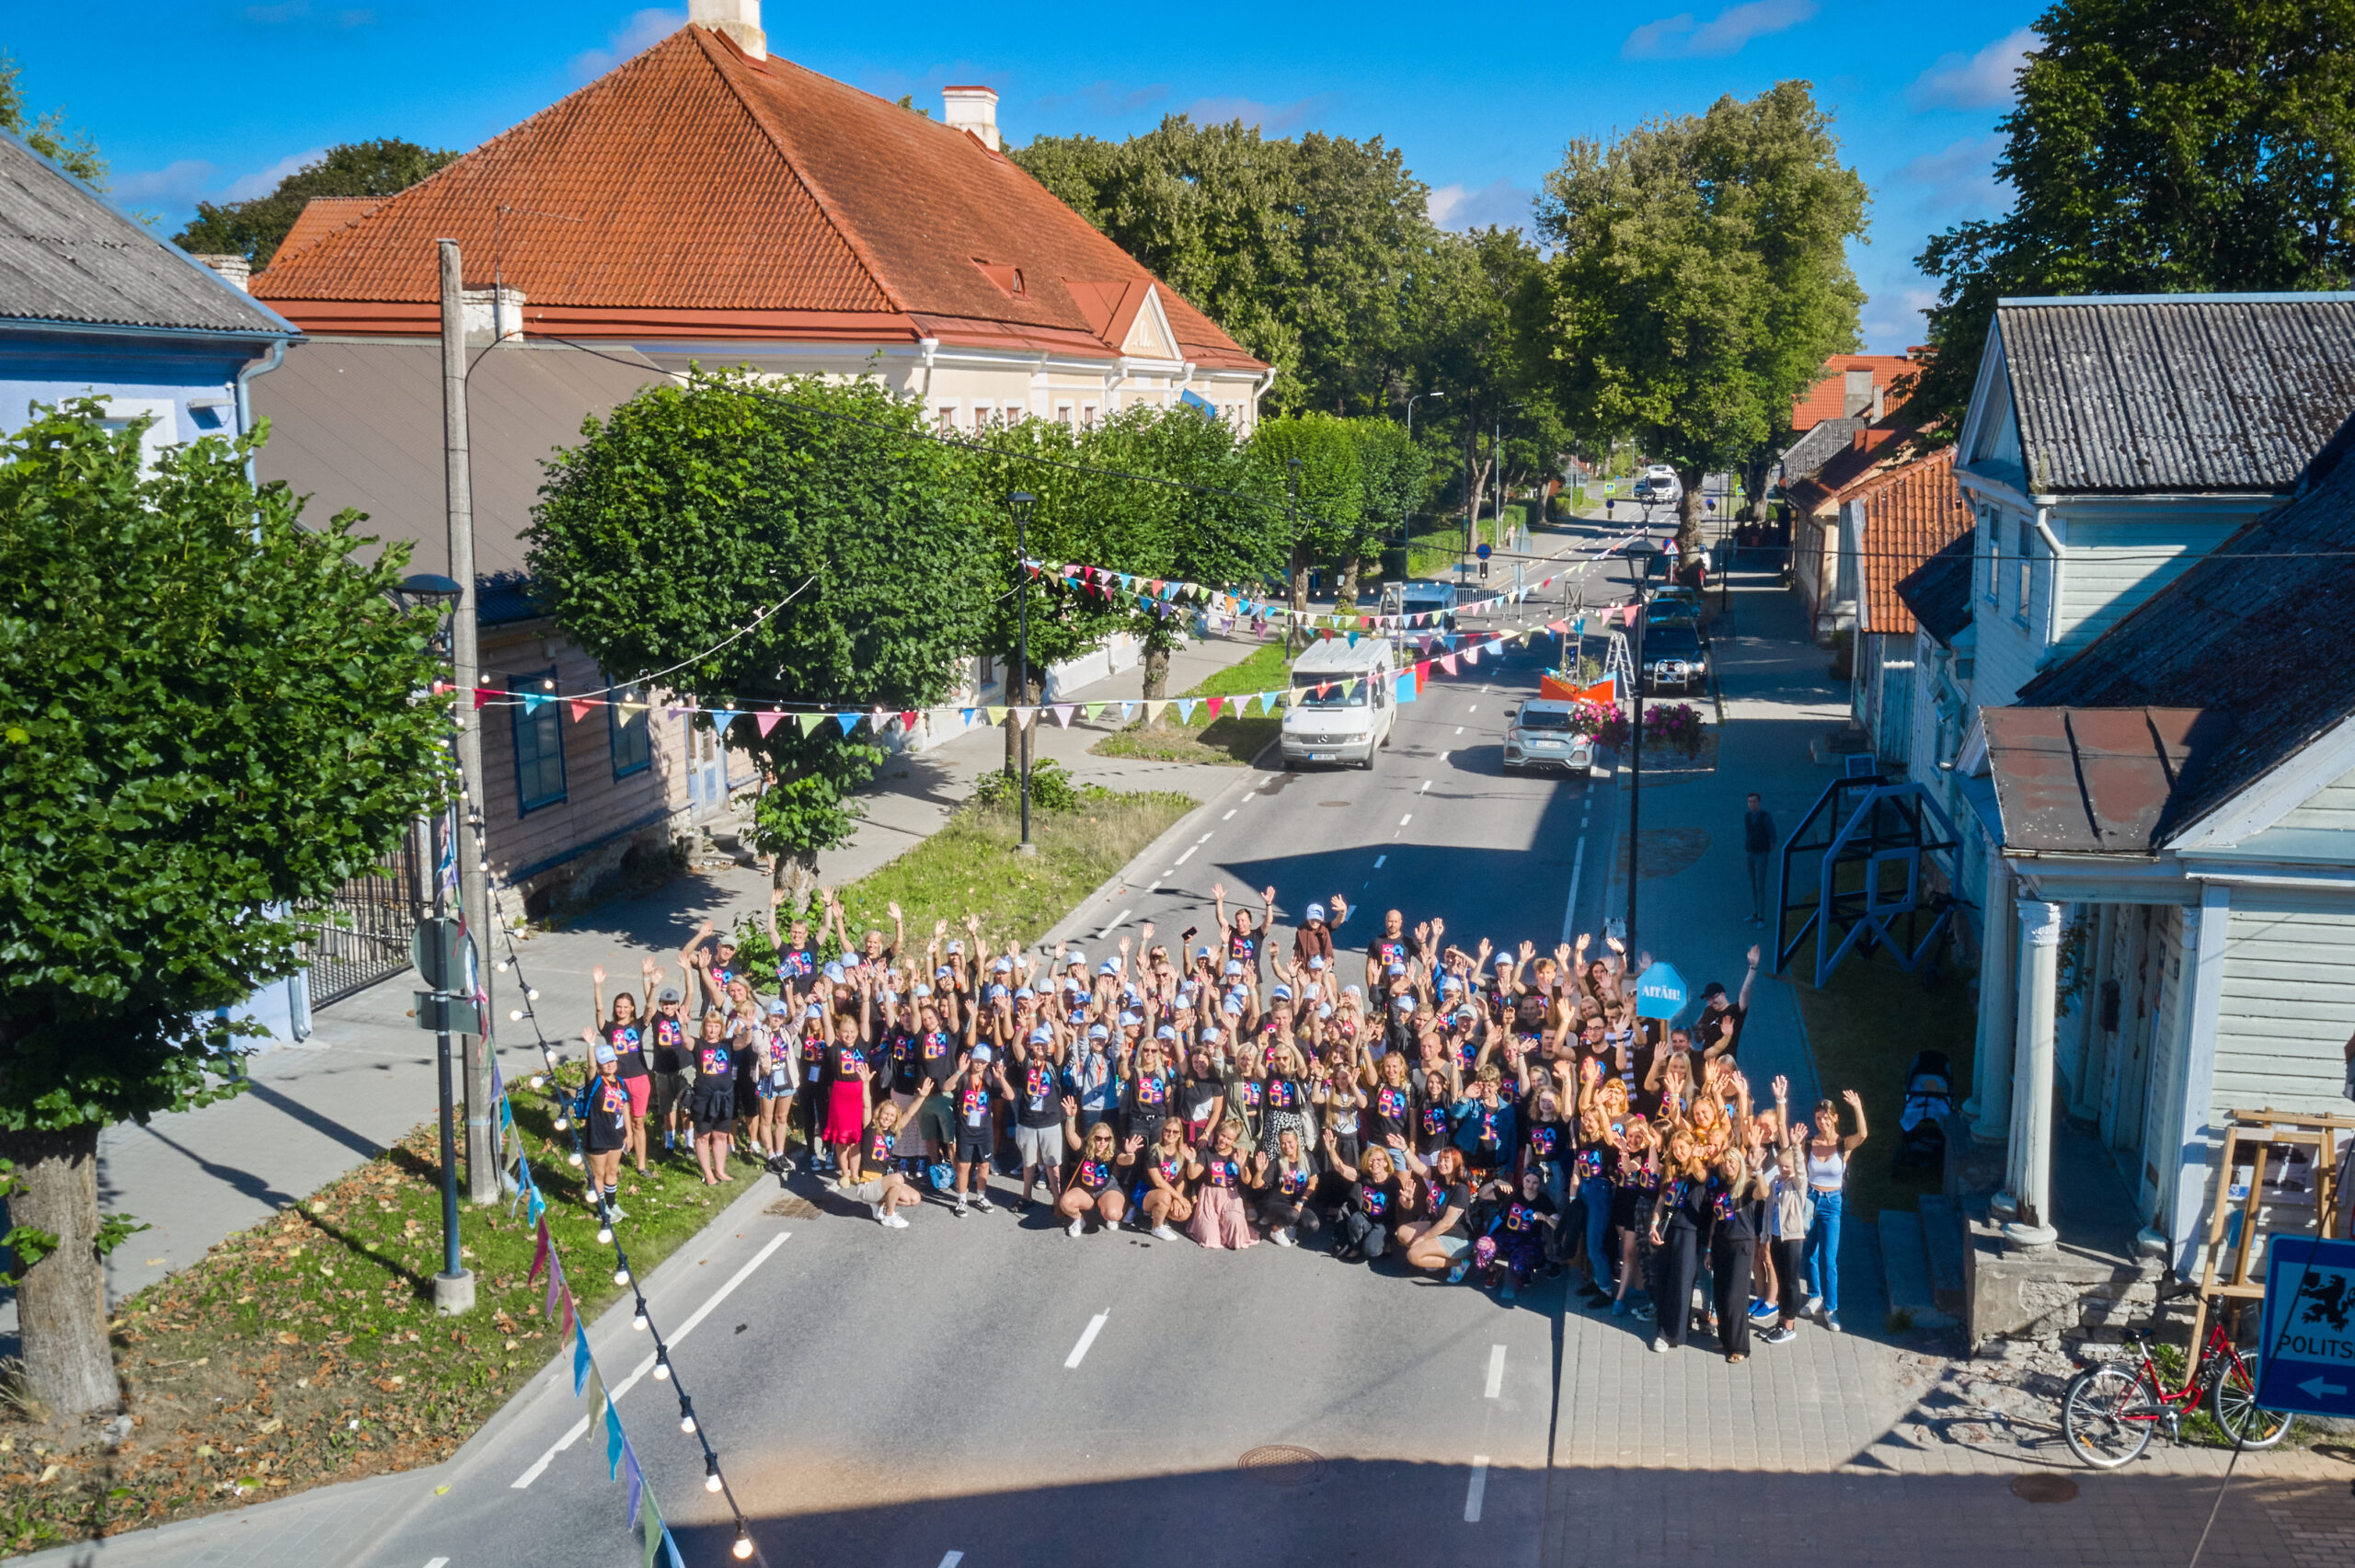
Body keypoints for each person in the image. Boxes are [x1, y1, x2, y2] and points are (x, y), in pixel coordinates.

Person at [1801, 1088, 1867, 1331]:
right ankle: (1814, 1295)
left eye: (1827, 1118)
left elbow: (1863, 1134)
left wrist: (1857, 1107)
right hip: (1810, 1200)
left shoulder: (1842, 1145)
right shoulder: (1809, 1143)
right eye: (1819, 1118)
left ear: (1835, 1118)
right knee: (1809, 1252)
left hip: (1832, 1203)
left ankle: (1831, 1309)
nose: (1823, 1122)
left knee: (1829, 1259)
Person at [589, 965, 653, 1175]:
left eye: (626, 1007)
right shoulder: (609, 1028)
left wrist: (650, 980)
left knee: (638, 1121)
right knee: (617, 1120)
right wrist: (598, 985)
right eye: (618, 1007)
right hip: (618, 1082)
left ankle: (641, 1164)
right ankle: (616, 1155)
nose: (622, 1010)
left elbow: (650, 1007)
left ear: (632, 1008)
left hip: (640, 1078)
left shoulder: (638, 1026)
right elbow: (599, 1011)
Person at [947, 1043, 1009, 1217]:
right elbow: (946, 1087)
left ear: (987, 1063)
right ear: (972, 1058)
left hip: (984, 1130)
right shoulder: (964, 1077)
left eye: (983, 1061)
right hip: (965, 1129)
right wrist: (959, 1071)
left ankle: (981, 1197)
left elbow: (1010, 1096)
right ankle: (962, 1199)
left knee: (983, 1164)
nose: (979, 1064)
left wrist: (1001, 1079)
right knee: (964, 1165)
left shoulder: (990, 1079)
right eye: (977, 1060)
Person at [841, 1100, 920, 1228]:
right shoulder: (870, 1129)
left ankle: (879, 1204)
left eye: (892, 1116)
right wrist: (866, 1082)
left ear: (895, 1119)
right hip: (867, 1186)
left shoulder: (892, 1132)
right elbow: (866, 1105)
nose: (888, 1117)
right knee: (898, 1178)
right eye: (885, 1113)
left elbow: (909, 1113)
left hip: (882, 1183)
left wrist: (922, 1096)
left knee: (914, 1198)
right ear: (879, 1113)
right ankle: (889, 1216)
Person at [578, 1041, 631, 1216]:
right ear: (600, 1065)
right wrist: (590, 1046)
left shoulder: (620, 1083)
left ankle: (612, 1204)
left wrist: (629, 1134)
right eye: (605, 1062)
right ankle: (602, 1210)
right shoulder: (595, 1081)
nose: (610, 1065)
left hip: (616, 1134)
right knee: (598, 1173)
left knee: (612, 1171)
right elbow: (590, 1066)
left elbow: (625, 1109)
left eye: (612, 1061)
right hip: (597, 1134)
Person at [687, 1009, 739, 1185]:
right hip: (704, 1099)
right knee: (702, 1136)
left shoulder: (727, 1044)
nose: (712, 1029)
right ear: (704, 1027)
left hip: (725, 1097)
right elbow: (685, 1041)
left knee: (721, 1134)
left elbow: (744, 1042)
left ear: (721, 1028)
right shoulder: (699, 1044)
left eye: (716, 1026)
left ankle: (720, 1170)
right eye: (709, 1025)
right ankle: (708, 1174)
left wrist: (749, 1027)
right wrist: (682, 1025)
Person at [1187, 1122, 1257, 1249]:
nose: (1224, 1140)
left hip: (1231, 1197)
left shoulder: (1237, 1154)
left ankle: (1225, 1222)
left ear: (1235, 1141)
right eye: (1222, 1135)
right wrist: (1191, 1160)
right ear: (1218, 1133)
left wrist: (1241, 1166)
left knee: (1235, 1230)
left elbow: (1247, 1180)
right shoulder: (1207, 1152)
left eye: (1229, 1138)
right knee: (1210, 1239)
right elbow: (1192, 1175)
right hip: (1209, 1196)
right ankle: (1210, 1223)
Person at [1742, 793, 1775, 928]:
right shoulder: (1747, 817)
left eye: (1754, 802)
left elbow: (1773, 837)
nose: (1752, 804)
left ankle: (1761, 917)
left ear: (1759, 803)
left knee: (1760, 886)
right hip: (1750, 853)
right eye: (1750, 802)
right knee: (1753, 884)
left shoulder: (1765, 817)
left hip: (1761, 854)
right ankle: (1755, 913)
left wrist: (1765, 851)